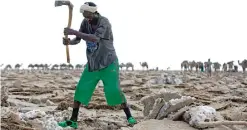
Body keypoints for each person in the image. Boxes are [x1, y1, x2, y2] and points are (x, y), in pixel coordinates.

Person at [58, 2, 137, 128]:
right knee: (81, 89)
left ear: (94, 12)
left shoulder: (104, 22)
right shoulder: (85, 23)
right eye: (83, 14)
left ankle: (129, 116)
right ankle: (73, 120)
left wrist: (73, 32)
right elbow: (78, 39)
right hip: (93, 64)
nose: (85, 17)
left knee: (114, 91)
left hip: (108, 62)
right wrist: (69, 42)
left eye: (87, 14)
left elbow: (94, 38)